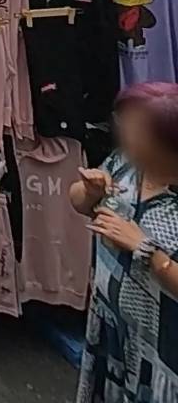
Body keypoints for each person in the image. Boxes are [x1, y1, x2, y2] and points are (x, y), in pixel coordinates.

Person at [69, 82, 178, 403]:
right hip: (113, 329)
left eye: (135, 128)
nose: (123, 132)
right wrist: (90, 191)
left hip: (163, 356)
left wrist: (144, 248)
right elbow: (78, 201)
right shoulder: (125, 165)